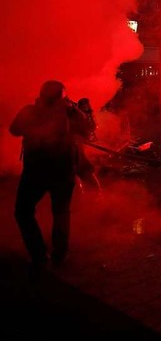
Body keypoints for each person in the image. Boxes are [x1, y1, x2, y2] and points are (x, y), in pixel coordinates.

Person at [9, 80, 89, 276]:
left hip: (36, 171)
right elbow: (87, 130)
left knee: (23, 211)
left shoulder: (30, 111)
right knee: (61, 212)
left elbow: (14, 130)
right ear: (63, 97)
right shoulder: (69, 113)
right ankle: (59, 254)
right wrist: (73, 108)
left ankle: (39, 254)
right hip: (62, 172)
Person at [76, 97, 102, 193]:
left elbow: (92, 127)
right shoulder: (78, 115)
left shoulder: (87, 116)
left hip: (82, 142)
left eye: (87, 104)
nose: (85, 106)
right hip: (78, 144)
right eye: (83, 105)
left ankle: (94, 193)